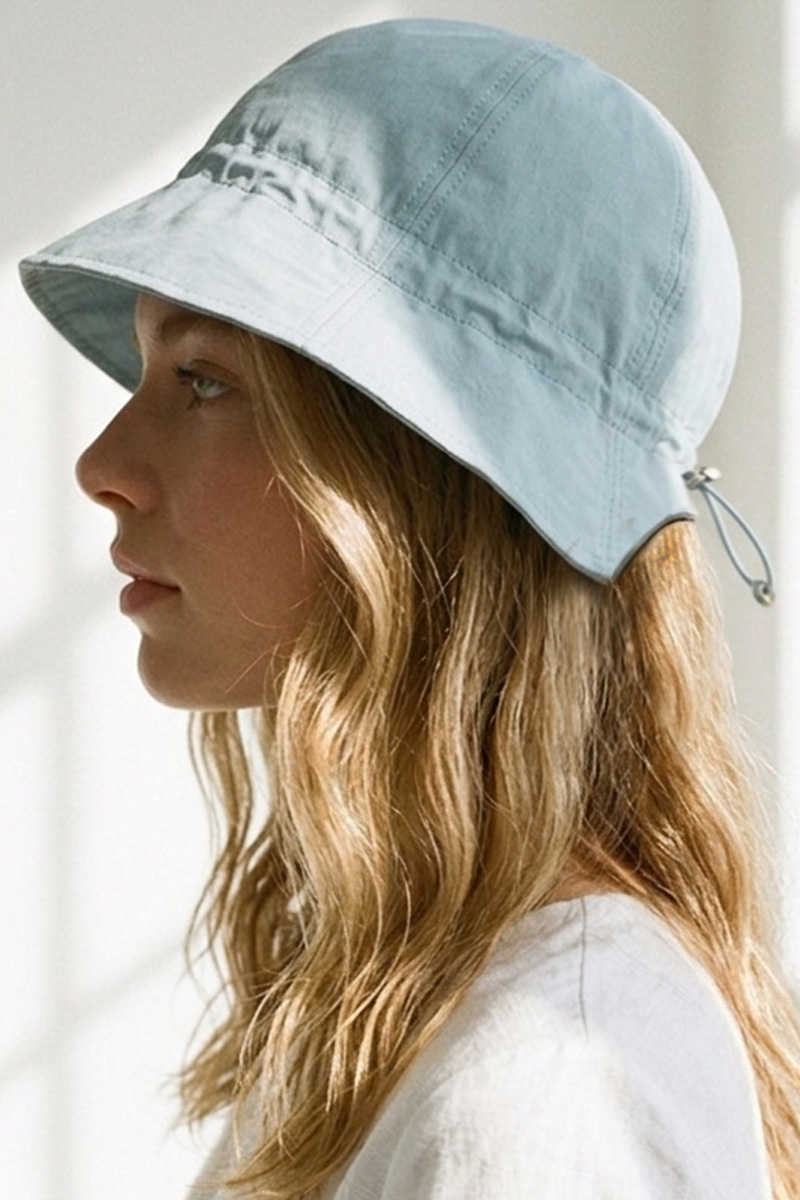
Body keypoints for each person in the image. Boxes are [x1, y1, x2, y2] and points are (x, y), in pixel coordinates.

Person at [18, 17, 800, 1199]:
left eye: (204, 380)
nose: (102, 465)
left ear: (420, 478)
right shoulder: (424, 1001)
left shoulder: (542, 1086)